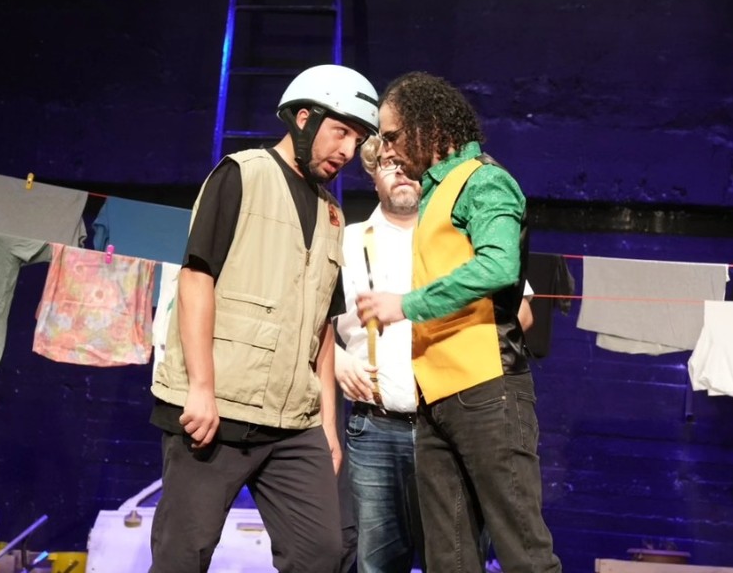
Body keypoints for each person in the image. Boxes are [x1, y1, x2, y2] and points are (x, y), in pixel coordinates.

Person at [149, 64, 379, 573]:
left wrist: (328, 427)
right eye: (341, 131)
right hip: (218, 410)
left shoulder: (332, 214)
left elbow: (323, 327)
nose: (348, 150)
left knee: (322, 552)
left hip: (293, 423)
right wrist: (201, 389)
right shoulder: (242, 175)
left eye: (357, 138)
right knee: (183, 555)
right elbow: (196, 279)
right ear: (304, 118)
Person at [356, 71, 561, 573]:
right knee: (448, 557)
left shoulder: (483, 180)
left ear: (427, 126)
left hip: (488, 389)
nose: (387, 150)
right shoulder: (434, 192)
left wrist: (407, 305)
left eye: (392, 136)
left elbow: (499, 266)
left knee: (523, 552)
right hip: (436, 398)